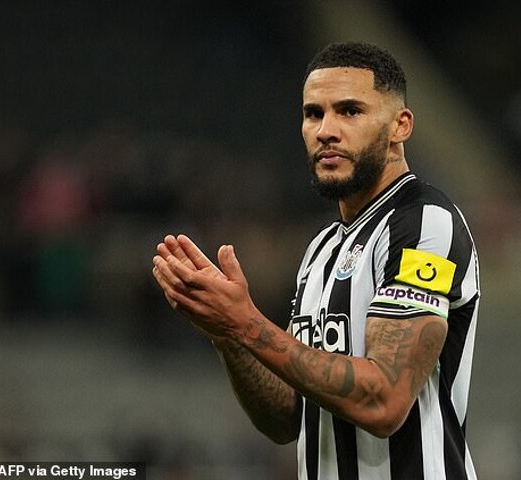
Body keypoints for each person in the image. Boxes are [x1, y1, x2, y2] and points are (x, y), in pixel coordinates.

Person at [152, 41, 480, 480]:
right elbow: (287, 418)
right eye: (313, 114)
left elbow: (384, 401)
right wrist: (227, 335)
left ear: (400, 126)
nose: (326, 130)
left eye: (350, 111)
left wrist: (247, 323)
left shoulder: (423, 223)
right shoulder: (322, 248)